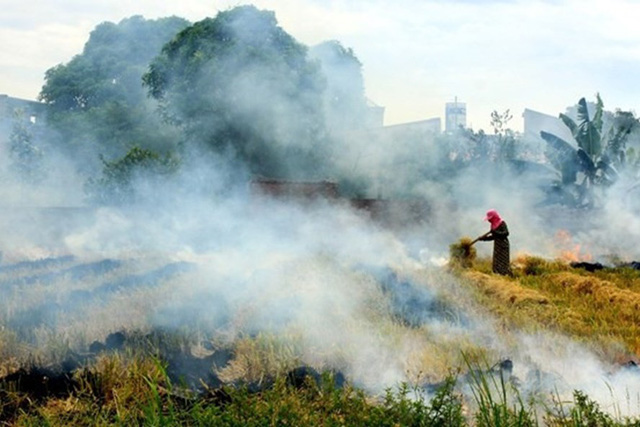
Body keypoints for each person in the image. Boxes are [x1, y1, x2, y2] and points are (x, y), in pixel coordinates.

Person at [477, 209, 512, 276]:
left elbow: (506, 233)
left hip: (504, 245)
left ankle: (505, 275)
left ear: (494, 217)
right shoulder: (493, 225)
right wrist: (483, 238)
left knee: (503, 261)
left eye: (490, 219)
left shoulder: (502, 223)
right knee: (497, 261)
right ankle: (497, 275)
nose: (489, 220)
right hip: (497, 246)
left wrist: (495, 232)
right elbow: (493, 237)